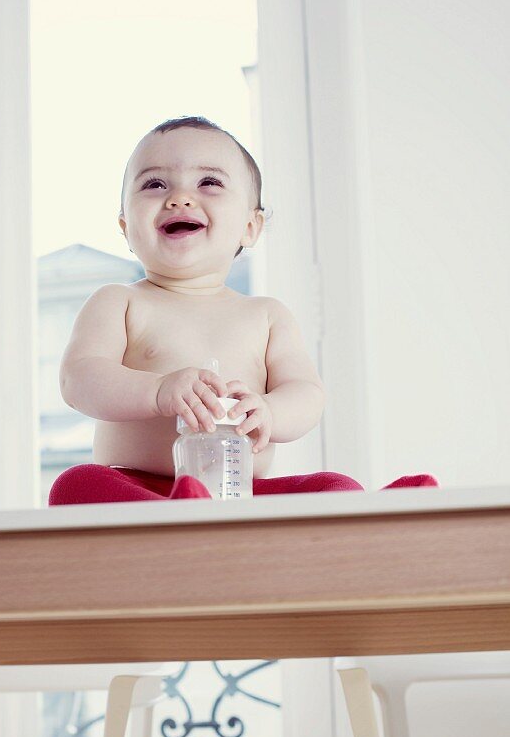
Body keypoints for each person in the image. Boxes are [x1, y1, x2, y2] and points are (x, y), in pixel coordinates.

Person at [49, 116, 437, 505]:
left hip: (243, 491)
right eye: (154, 184)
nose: (179, 198)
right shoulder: (119, 302)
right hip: (141, 490)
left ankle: (383, 512)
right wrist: (157, 391)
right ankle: (182, 512)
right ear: (125, 226)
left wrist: (268, 409)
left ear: (250, 227)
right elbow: (79, 380)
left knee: (333, 485)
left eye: (209, 183)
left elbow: (306, 394)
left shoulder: (267, 316)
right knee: (76, 484)